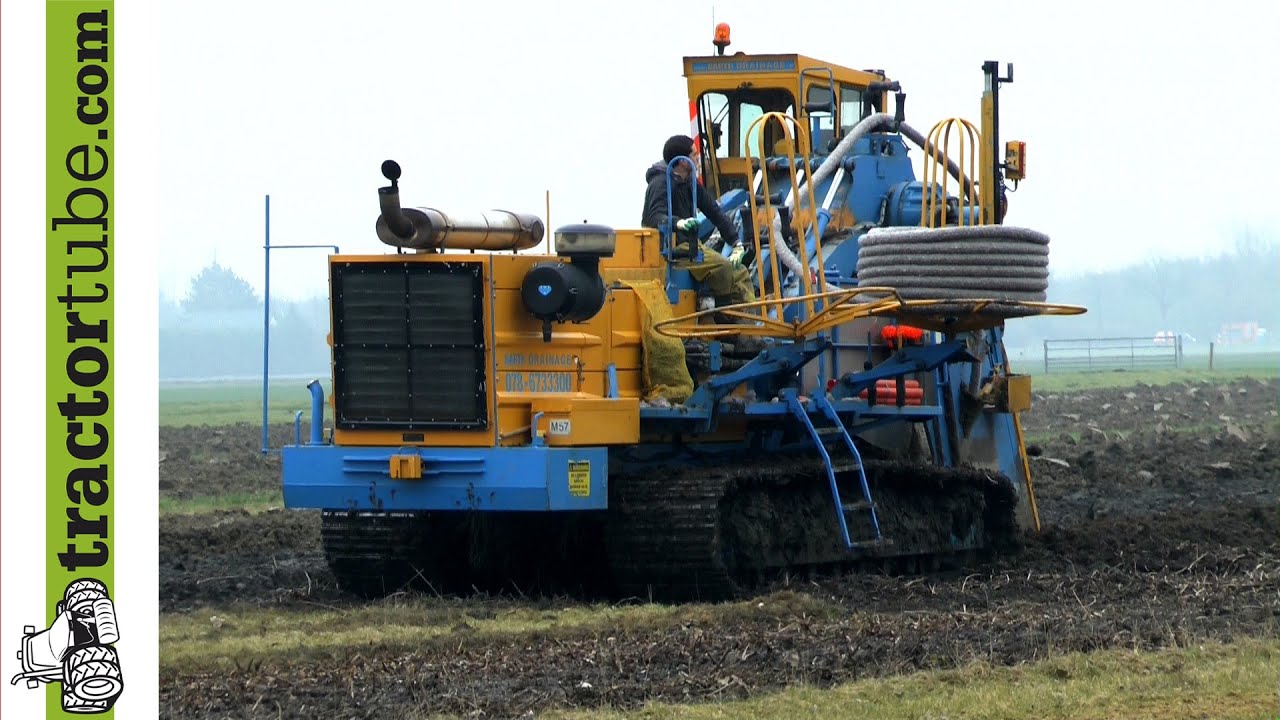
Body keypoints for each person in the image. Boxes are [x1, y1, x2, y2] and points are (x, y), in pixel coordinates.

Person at [641, 135, 756, 308]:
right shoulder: (660, 183)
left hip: (691, 245)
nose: (698, 158)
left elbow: (714, 212)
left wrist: (736, 243)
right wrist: (678, 223)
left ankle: (750, 316)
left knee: (739, 271)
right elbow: (654, 216)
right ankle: (722, 316)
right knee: (722, 267)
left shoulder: (689, 182)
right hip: (672, 247)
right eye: (694, 155)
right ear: (682, 161)